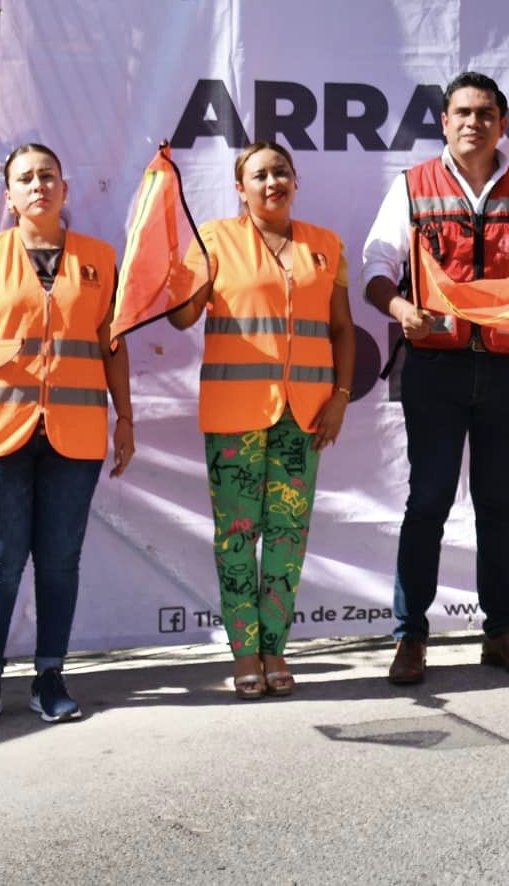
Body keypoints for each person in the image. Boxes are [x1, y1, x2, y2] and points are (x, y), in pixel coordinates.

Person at [362, 71, 509, 684]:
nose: (472, 122)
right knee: (427, 500)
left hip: (508, 368)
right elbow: (376, 263)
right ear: (444, 121)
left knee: (498, 505)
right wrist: (401, 310)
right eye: (462, 112)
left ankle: (502, 633)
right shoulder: (412, 187)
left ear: (502, 123)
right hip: (434, 367)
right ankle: (410, 637)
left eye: (485, 113)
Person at [0, 143, 133, 728]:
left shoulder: (101, 259)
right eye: (25, 178)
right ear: (10, 192)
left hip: (74, 434)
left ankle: (50, 676)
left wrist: (126, 417)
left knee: (58, 562)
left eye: (47, 176)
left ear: (64, 188)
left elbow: (112, 345)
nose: (37, 186)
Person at [169, 141, 354, 697]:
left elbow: (342, 328)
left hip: (306, 414)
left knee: (287, 537)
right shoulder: (214, 240)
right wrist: (189, 275)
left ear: (295, 181)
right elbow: (180, 318)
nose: (271, 182)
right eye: (259, 175)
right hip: (233, 416)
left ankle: (277, 651)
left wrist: (341, 395)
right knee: (236, 536)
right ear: (240, 188)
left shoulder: (326, 245)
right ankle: (244, 653)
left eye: (280, 172)